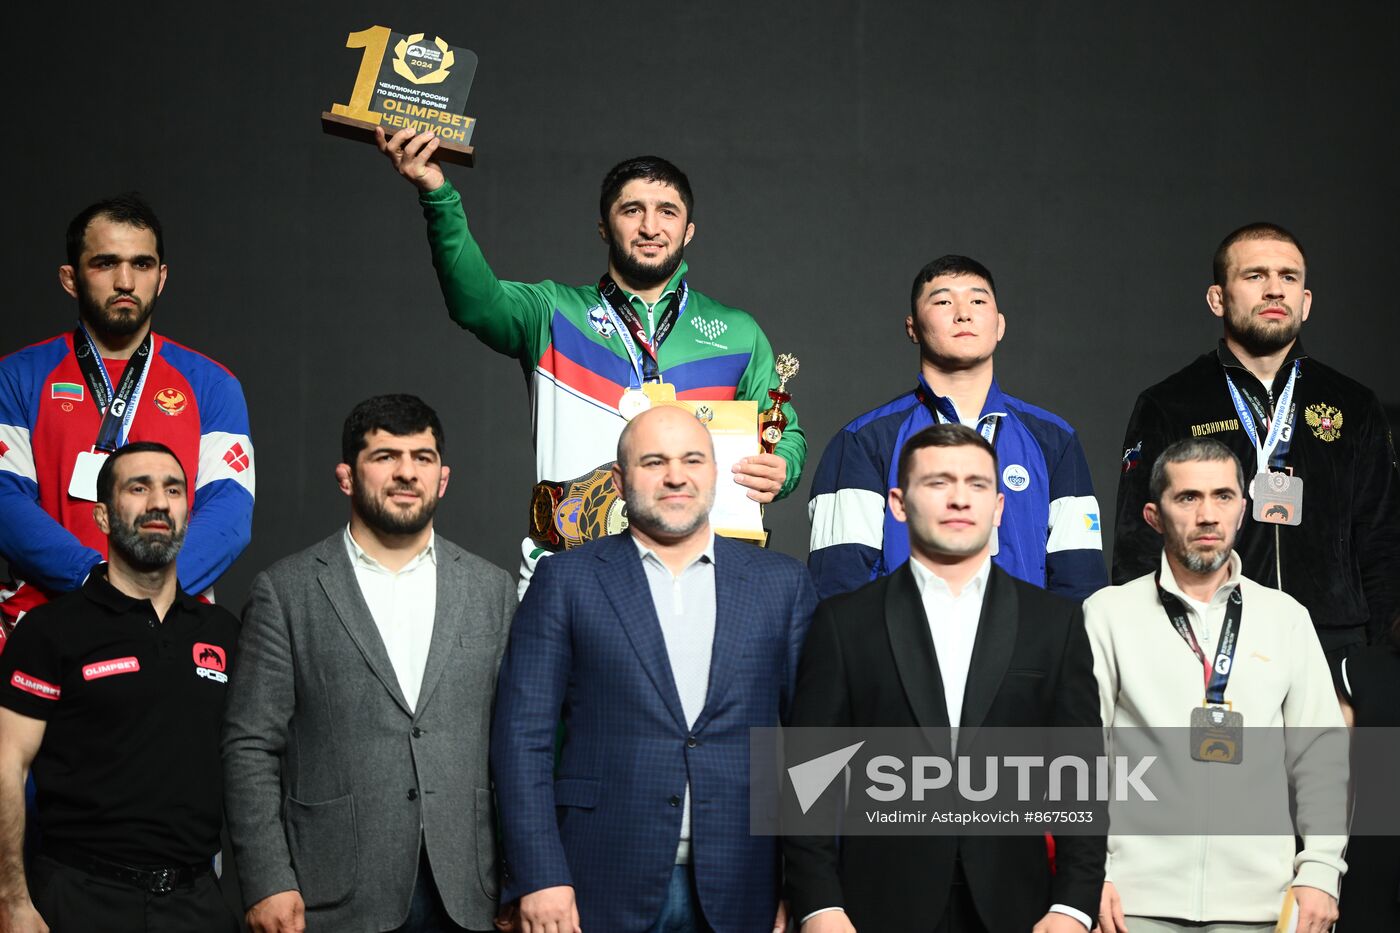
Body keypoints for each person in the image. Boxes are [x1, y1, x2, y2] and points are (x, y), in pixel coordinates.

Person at [377, 128, 804, 592]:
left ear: (689, 230)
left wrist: (782, 466)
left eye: (667, 212)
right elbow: (474, 303)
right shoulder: (553, 312)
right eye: (631, 210)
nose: (650, 227)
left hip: (697, 576)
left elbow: (783, 432)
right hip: (568, 574)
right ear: (604, 225)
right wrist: (438, 195)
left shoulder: (737, 332)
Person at [491, 404, 816, 932]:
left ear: (714, 470)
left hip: (746, 882)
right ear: (619, 480)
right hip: (596, 879)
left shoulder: (782, 584)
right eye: (653, 462)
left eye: (693, 459)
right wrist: (538, 875)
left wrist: (808, 888)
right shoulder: (566, 581)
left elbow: (813, 743)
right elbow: (521, 737)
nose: (675, 476)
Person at [786, 423, 1104, 932]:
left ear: (999, 506)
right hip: (873, 909)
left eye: (976, 485)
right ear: (898, 502)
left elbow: (1080, 776)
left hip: (1020, 909)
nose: (959, 499)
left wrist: (1072, 907)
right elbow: (808, 777)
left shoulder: (1055, 624)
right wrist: (819, 904)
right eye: (937, 483)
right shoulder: (844, 624)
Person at [222, 395, 515, 932]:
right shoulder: (285, 591)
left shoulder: (492, 590)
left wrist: (521, 878)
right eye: (386, 457)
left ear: (443, 478)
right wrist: (267, 878)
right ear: (346, 477)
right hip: (332, 892)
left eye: (422, 458)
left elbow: (517, 744)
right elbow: (250, 746)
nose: (407, 472)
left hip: (472, 891)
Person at [1113, 222, 1400, 672]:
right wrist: (1158, 659)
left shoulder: (1353, 404)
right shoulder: (1170, 402)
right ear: (1218, 298)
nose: (1274, 291)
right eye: (1254, 276)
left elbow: (1383, 541)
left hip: (1334, 649)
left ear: (1305, 302)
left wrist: (1370, 672)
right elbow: (1138, 543)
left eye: (1288, 277)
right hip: (1210, 640)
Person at [1087, 438, 1346, 933]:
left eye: (1223, 496)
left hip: (1262, 908)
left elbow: (1322, 756)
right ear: (1153, 515)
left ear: (1242, 509)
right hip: (1132, 905)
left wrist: (1321, 871)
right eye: (1188, 498)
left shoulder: (1286, 618)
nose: (1208, 515)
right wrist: (1087, 876)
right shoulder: (1107, 614)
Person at [0, 441, 239, 932]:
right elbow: (7, 764)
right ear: (104, 517)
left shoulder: (223, 633)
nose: (159, 503)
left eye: (173, 489)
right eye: (139, 487)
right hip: (78, 899)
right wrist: (13, 901)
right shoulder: (50, 631)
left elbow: (253, 764)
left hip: (197, 904)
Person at [0, 193, 254, 631]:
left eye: (141, 264)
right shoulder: (16, 377)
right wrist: (95, 583)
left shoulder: (212, 384)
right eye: (104, 263)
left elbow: (230, 512)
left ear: (162, 277)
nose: (125, 281)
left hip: (170, 623)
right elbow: (5, 499)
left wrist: (150, 589)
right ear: (71, 278)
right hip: (44, 623)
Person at [808, 255, 1105, 602]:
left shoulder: (1055, 439)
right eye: (944, 301)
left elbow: (1081, 587)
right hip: (904, 651)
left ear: (1000, 325)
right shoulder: (863, 441)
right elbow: (838, 592)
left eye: (978, 300)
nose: (963, 313)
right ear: (912, 328)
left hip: (1024, 652)